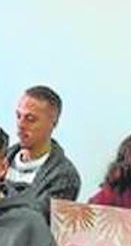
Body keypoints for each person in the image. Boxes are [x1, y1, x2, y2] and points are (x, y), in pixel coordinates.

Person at [5, 85, 81, 214]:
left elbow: (34, 222)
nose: (20, 125)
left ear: (53, 123)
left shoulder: (64, 177)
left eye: (30, 119)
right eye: (18, 116)